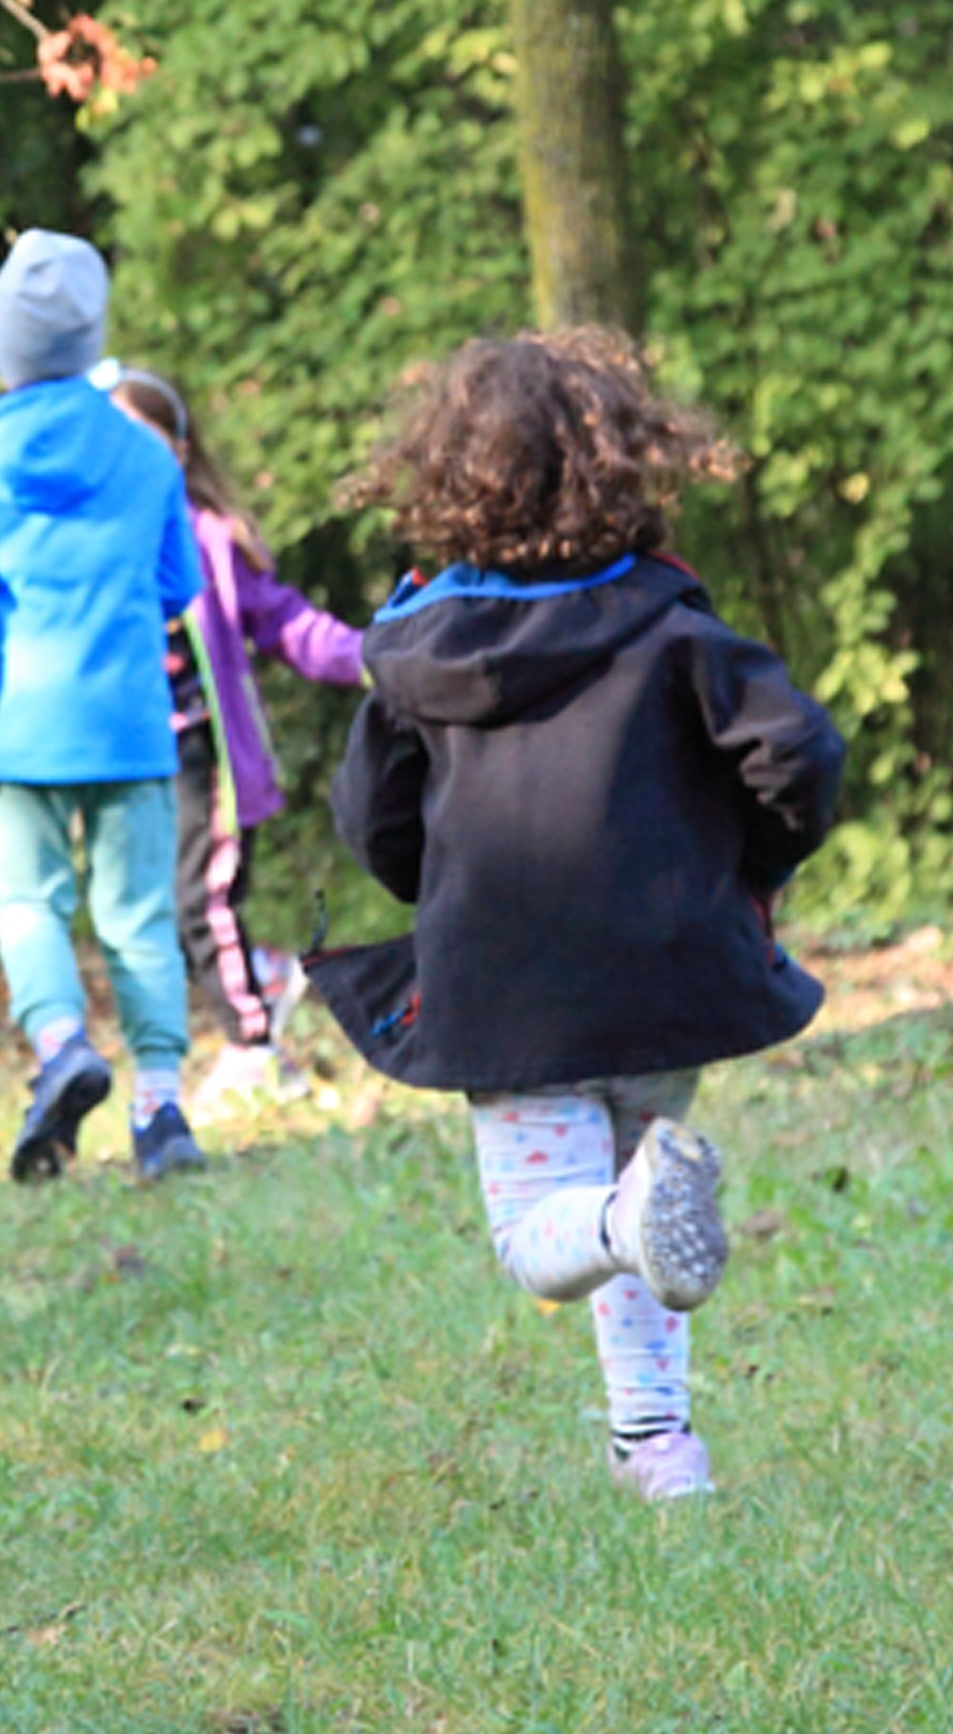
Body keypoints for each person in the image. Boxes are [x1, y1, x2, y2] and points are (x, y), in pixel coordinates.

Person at [321, 332, 846, 1509]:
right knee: (642, 1211)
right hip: (672, 972)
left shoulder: (416, 651)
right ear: (623, 465)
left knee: (553, 1234)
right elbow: (798, 749)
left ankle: (638, 1342)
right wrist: (752, 862)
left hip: (508, 982)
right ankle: (657, 1445)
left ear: (444, 479)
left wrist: (439, 891)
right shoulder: (671, 624)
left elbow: (373, 824)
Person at [0, 231, 207, 1183]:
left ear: (1, 342)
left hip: (14, 729)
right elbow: (178, 584)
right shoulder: (145, 454)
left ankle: (61, 1047)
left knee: (27, 902)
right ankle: (161, 1109)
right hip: (127, 720)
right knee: (141, 918)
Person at [102, 365, 365, 1105]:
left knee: (203, 900)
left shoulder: (210, 538)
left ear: (179, 452)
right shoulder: (95, 542)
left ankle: (253, 1047)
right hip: (135, 759)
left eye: (142, 440)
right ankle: (266, 973)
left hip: (204, 754)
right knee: (162, 906)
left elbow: (288, 624)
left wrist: (371, 656)